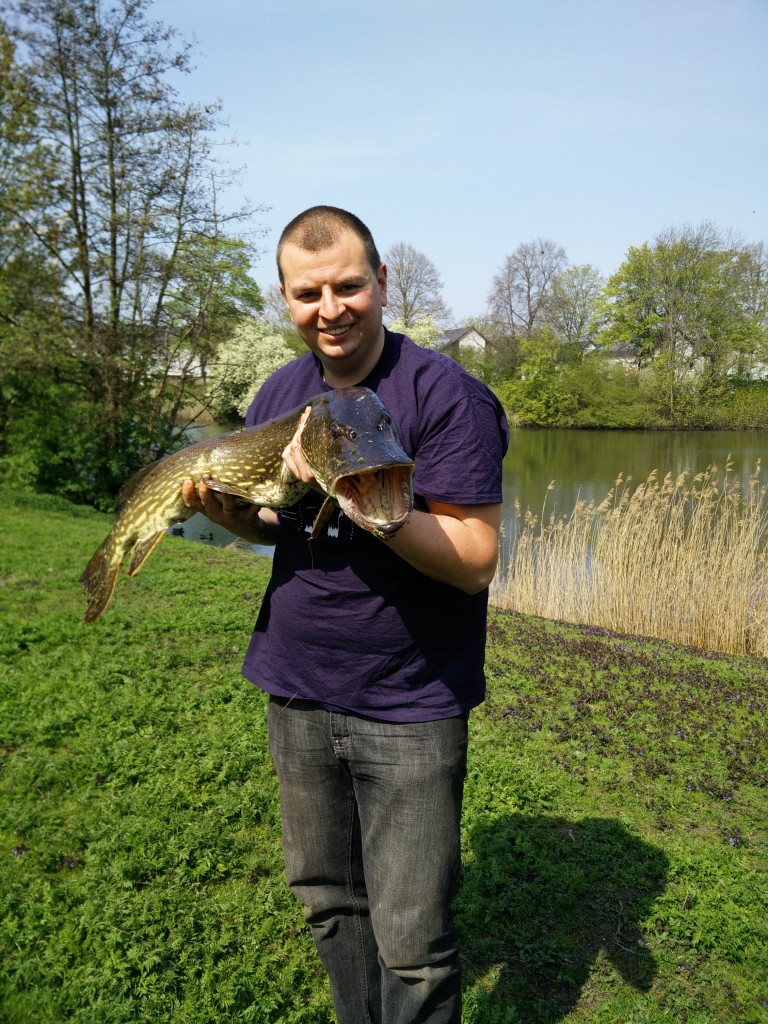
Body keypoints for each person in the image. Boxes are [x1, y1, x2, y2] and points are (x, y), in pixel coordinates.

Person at [182, 206, 509, 1024]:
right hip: (296, 686)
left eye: (348, 286)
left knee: (413, 944)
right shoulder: (279, 393)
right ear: (285, 299)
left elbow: (473, 561)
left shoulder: (446, 394)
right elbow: (273, 529)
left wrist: (361, 499)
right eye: (308, 292)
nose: (330, 308)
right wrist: (219, 510)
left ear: (381, 283)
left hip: (409, 703)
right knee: (330, 905)